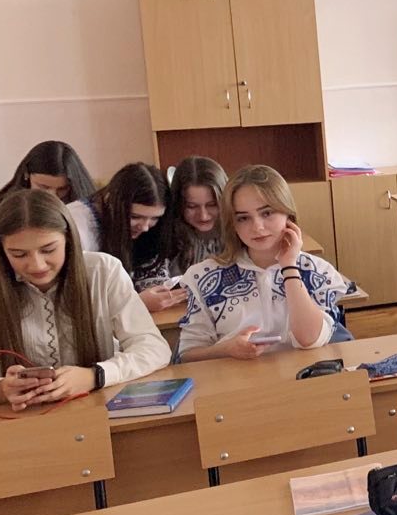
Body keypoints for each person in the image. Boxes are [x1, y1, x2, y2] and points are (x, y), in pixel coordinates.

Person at [0, 189, 169, 408]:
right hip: (18, 420)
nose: (37, 265)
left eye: (48, 250)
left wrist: (95, 375)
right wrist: (0, 389)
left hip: (96, 409)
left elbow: (154, 349)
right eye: (19, 254)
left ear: (68, 239)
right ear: (1, 251)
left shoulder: (103, 270)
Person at [177, 165, 356, 362]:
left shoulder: (318, 271)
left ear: (288, 214)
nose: (257, 227)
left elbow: (309, 339)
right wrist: (225, 349)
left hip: (303, 377)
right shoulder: (202, 276)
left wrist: (289, 266)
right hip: (238, 379)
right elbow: (187, 355)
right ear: (232, 224)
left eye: (267, 213)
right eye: (243, 218)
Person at [69, 162, 181, 313]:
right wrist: (135, 303)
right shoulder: (78, 226)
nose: (145, 227)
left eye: (154, 218)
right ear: (110, 200)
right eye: (135, 217)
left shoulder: (148, 232)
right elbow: (75, 299)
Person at [167, 155, 227, 276]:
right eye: (192, 206)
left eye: (212, 205)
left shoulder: (241, 233)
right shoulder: (166, 238)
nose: (203, 216)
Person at [0, 140, 98, 206]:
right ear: (26, 175)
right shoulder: (2, 209)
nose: (53, 196)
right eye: (44, 187)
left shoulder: (88, 209)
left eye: (62, 189)